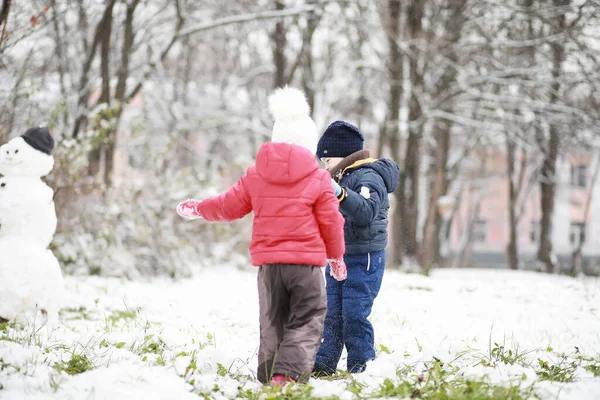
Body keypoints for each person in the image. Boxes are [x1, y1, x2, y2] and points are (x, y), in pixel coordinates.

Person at [176, 87, 347, 386]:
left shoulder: (257, 174)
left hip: (269, 268)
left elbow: (228, 205)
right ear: (310, 144)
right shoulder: (319, 178)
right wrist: (336, 256)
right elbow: (331, 221)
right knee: (308, 317)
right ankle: (287, 375)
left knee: (273, 322)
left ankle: (270, 375)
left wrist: (200, 208)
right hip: (305, 266)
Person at [313, 120, 400, 375]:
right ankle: (324, 363)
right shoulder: (342, 178)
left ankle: (363, 367)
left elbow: (366, 211)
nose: (324, 166)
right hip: (339, 257)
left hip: (365, 259)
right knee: (332, 314)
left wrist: (339, 193)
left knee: (354, 314)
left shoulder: (368, 177)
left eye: (326, 160)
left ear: (341, 154)